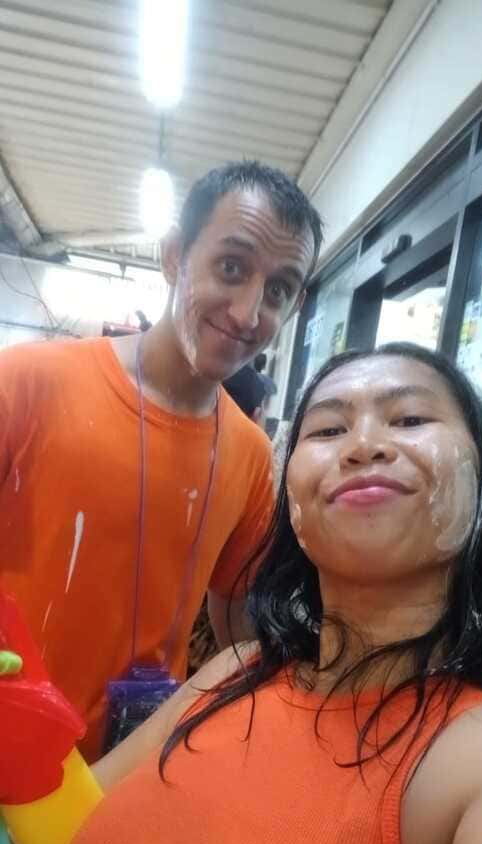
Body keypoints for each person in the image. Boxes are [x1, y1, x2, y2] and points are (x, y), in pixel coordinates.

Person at [51, 342, 482, 844]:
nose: (362, 446)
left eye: (409, 419)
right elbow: (66, 823)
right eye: (327, 430)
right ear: (290, 502)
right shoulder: (234, 672)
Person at [0, 160, 322, 761]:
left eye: (278, 290)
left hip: (131, 769)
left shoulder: (251, 456)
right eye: (231, 268)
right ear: (174, 256)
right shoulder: (27, 381)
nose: (248, 313)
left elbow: (237, 620)